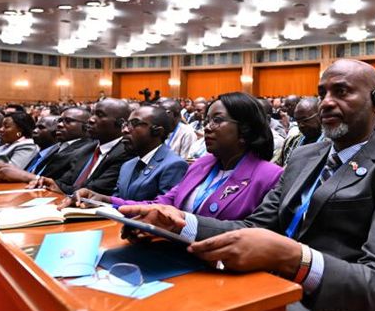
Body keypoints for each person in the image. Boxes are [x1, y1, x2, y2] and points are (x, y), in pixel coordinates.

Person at [117, 60, 375, 311]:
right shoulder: (305, 156)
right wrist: (181, 224)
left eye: (341, 92)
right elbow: (254, 227)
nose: (326, 101)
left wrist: (293, 258)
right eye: (322, 92)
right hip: (268, 303)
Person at [83, 93, 282, 221]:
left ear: (245, 129)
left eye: (217, 120)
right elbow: (164, 203)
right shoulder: (202, 165)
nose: (207, 127)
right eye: (207, 120)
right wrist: (106, 201)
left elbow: (254, 233)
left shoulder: (270, 176)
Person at [63, 106, 188, 205]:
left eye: (134, 124)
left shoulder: (174, 165)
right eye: (126, 124)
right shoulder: (128, 165)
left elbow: (163, 209)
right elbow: (115, 202)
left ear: (157, 131)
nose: (125, 130)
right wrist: (93, 201)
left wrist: (106, 200)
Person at [31, 99, 134, 196]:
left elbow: (93, 190)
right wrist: (52, 183)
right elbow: (65, 182)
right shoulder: (87, 149)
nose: (91, 119)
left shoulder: (126, 152)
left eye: (99, 115)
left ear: (121, 123)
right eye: (93, 113)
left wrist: (60, 187)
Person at [0, 108, 94, 183]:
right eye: (60, 120)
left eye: (68, 121)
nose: (59, 125)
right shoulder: (59, 147)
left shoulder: (86, 149)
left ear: (86, 126)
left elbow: (65, 185)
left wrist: (26, 176)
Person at [277, 97, 323, 166]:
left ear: (320, 115)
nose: (301, 125)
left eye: (305, 120)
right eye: (298, 121)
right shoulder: (291, 142)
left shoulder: (331, 144)